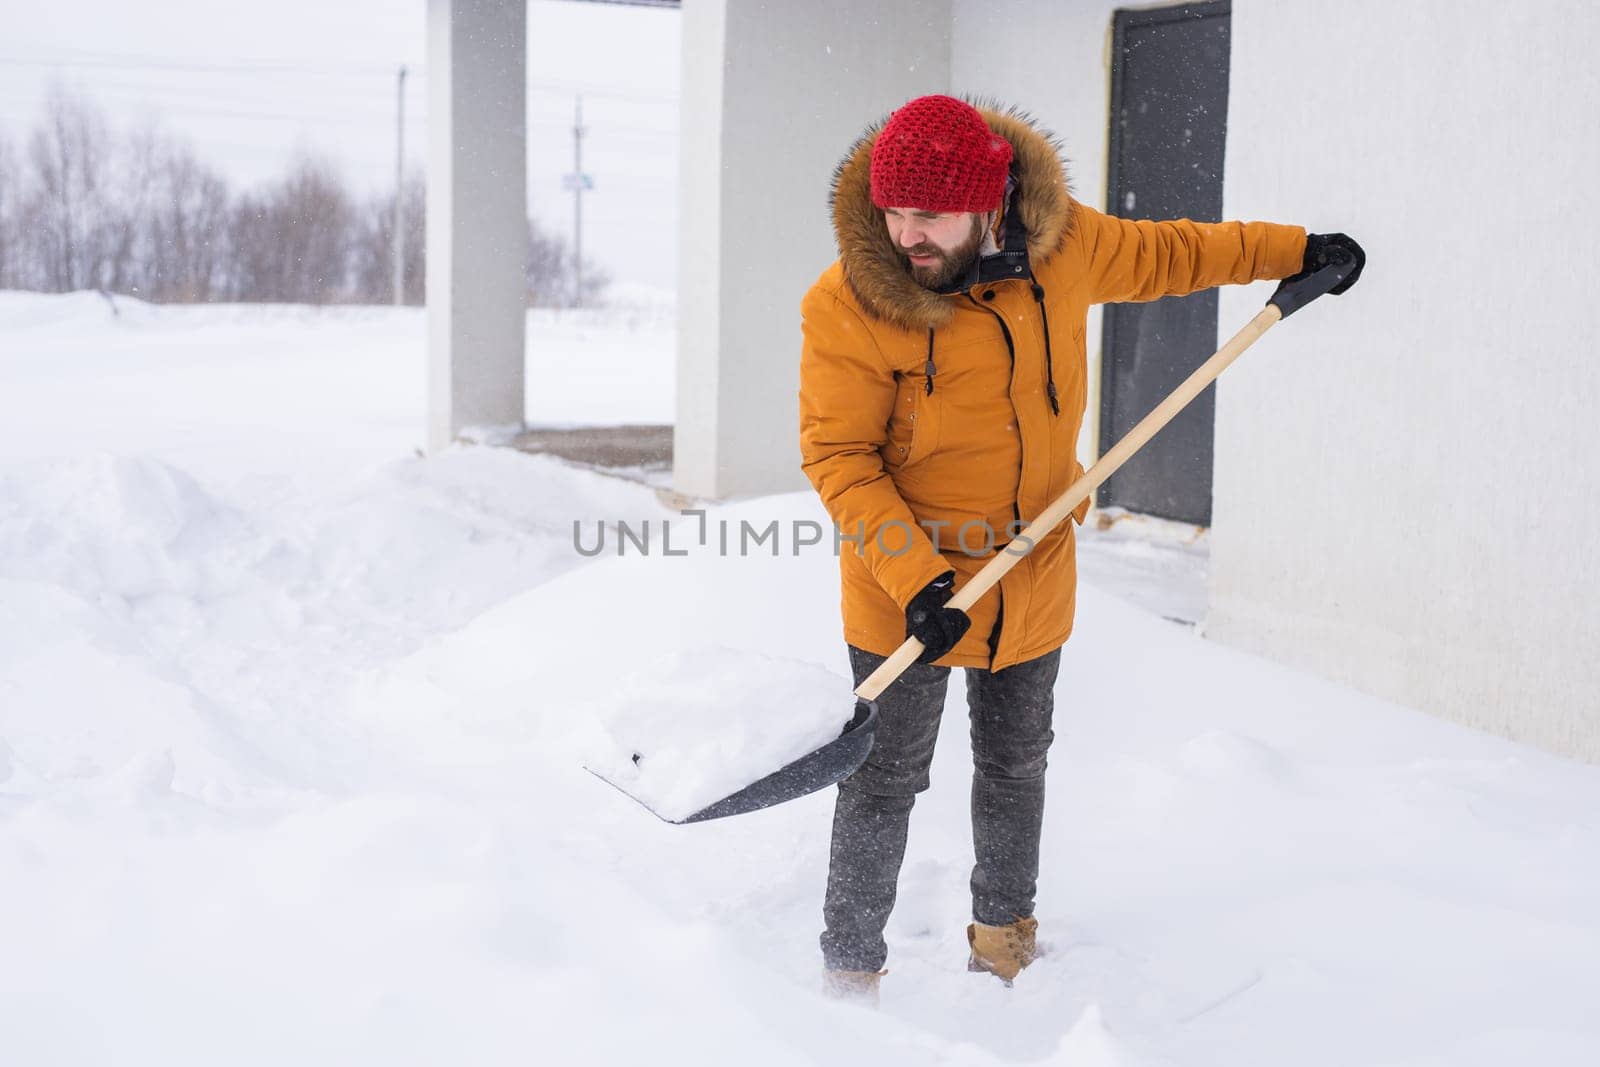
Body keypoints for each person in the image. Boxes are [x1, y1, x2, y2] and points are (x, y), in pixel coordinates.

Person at [797, 94, 1363, 1000]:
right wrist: (917, 581)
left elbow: (1179, 252)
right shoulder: (850, 303)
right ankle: (848, 967)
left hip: (1031, 566)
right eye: (891, 209)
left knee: (1016, 764)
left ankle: (1004, 943)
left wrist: (1294, 252)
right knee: (883, 778)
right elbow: (839, 454)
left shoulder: (1064, 249)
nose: (905, 233)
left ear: (988, 204)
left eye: (928, 214)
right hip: (908, 584)